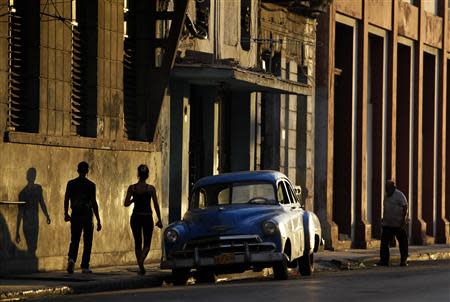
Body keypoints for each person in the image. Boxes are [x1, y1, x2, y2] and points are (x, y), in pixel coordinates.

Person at [124, 164, 162, 275]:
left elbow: (126, 203)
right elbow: (155, 205)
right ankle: (141, 262)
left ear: (138, 174)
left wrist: (133, 199)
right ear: (147, 175)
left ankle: (140, 266)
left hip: (135, 217)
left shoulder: (132, 188)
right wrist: (159, 219)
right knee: (147, 243)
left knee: (137, 242)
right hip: (147, 217)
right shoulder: (150, 189)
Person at [64, 161, 102, 274]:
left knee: (74, 239)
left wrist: (66, 213)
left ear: (77, 170)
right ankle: (85, 266)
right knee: (88, 241)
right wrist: (99, 220)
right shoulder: (91, 185)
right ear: (87, 171)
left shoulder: (71, 183)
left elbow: (66, 199)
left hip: (75, 214)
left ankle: (71, 259)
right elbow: (94, 203)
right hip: (87, 215)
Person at [378, 180, 408, 267]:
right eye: (386, 188)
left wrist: (403, 220)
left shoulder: (399, 195)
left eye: (389, 188)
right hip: (387, 223)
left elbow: (405, 206)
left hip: (398, 223)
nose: (387, 189)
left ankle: (403, 260)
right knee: (384, 243)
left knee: (402, 242)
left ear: (393, 188)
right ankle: (384, 260)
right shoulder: (386, 195)